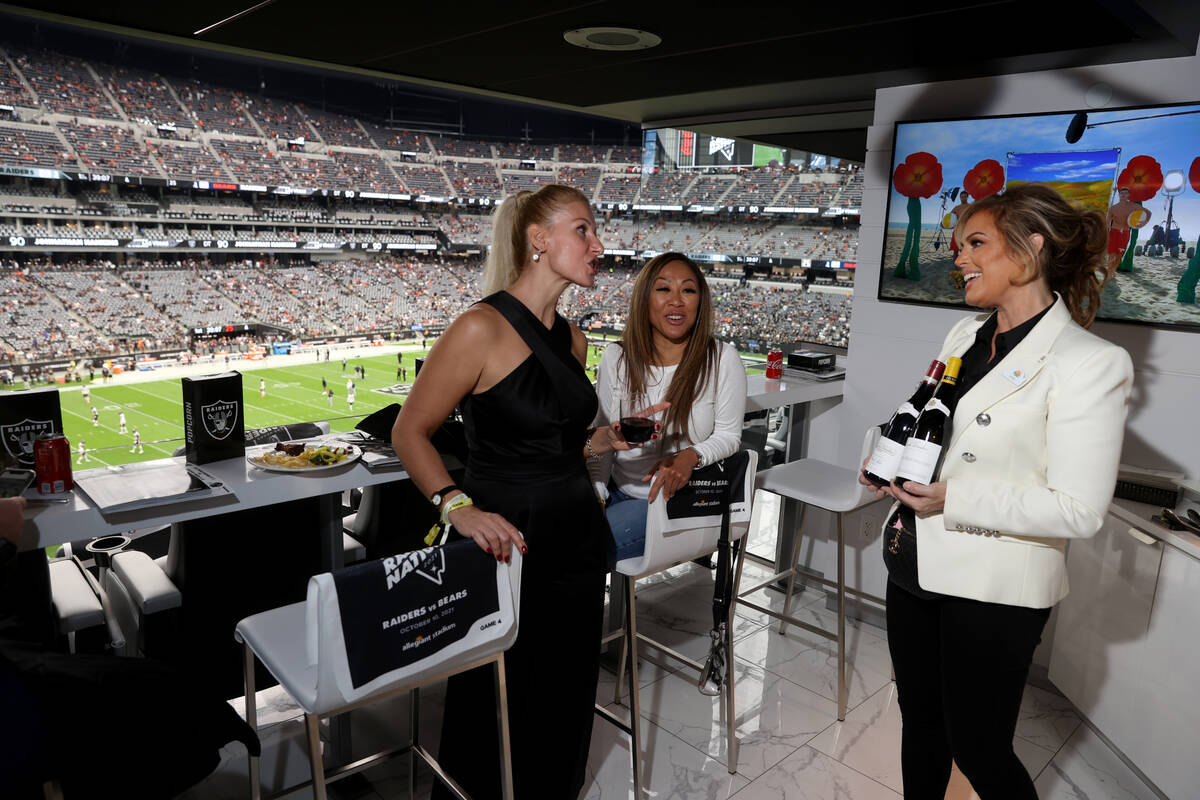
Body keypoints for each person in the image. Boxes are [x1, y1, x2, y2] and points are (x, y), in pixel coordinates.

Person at [861, 183, 1133, 799]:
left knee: (979, 750)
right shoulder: (963, 334)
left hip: (993, 590)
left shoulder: (1090, 362)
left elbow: (1079, 508)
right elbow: (927, 420)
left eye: (975, 244)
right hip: (912, 565)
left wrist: (952, 497)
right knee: (921, 726)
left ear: (1030, 249)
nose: (958, 259)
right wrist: (883, 460)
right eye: (959, 246)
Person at [392, 185, 663, 800]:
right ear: (538, 240)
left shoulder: (574, 340)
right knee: (496, 694)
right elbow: (410, 431)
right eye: (584, 230)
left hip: (574, 535)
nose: (599, 245)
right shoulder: (478, 328)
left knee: (566, 693)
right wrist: (456, 506)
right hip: (507, 538)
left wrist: (607, 439)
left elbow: (561, 445)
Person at [588, 253, 747, 562]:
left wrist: (690, 456)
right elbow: (602, 438)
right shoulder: (616, 357)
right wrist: (597, 495)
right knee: (557, 536)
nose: (677, 301)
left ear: (700, 302)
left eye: (688, 290)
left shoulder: (722, 358)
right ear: (645, 298)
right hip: (618, 488)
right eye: (664, 289)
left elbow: (730, 436)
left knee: (580, 550)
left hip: (676, 501)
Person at [1105, 186, 1147, 280]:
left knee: (1119, 255)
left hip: (1125, 233)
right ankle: (1109, 272)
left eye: (1125, 193)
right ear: (1119, 195)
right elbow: (1107, 223)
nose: (1123, 195)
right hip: (1114, 232)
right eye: (1121, 193)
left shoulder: (1133, 206)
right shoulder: (1113, 208)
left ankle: (1113, 270)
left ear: (1128, 195)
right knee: (1111, 254)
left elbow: (1147, 213)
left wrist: (1141, 224)